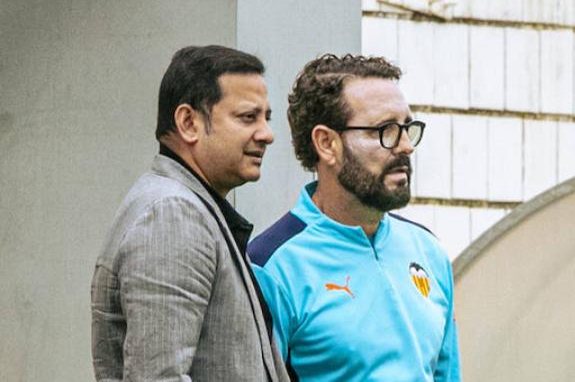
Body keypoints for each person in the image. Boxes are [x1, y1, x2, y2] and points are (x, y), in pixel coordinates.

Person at [249, 54, 460, 382]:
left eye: (407, 128)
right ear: (326, 143)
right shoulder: (269, 266)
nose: (405, 146)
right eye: (385, 130)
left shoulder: (428, 250)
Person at [91, 45, 288, 382]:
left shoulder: (187, 207)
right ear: (188, 122)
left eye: (265, 118)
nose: (266, 134)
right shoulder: (172, 215)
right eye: (247, 117)